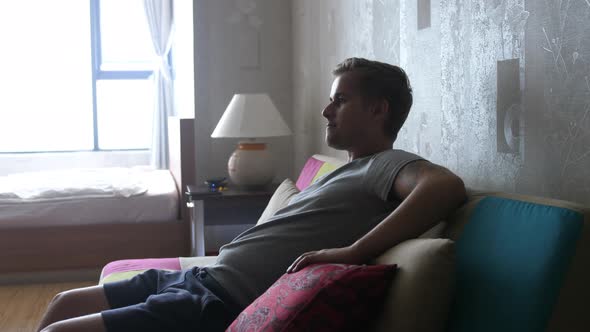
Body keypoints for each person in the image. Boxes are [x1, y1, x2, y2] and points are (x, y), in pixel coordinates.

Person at [37, 57, 466, 332]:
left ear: (378, 110)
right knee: (63, 302)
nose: (325, 111)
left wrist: (354, 250)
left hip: (216, 303)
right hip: (197, 280)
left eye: (340, 100)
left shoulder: (384, 166)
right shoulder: (342, 171)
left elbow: (445, 187)